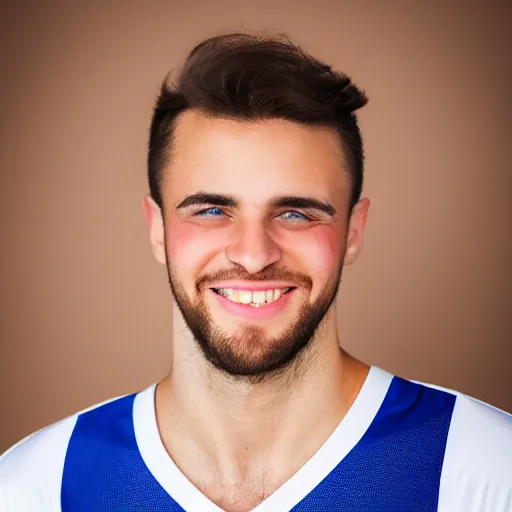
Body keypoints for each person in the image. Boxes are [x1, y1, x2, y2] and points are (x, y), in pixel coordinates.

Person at [1, 32, 511, 512]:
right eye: (210, 210)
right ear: (158, 229)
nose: (252, 255)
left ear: (353, 231)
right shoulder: (38, 487)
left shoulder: (484, 471)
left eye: (296, 213)